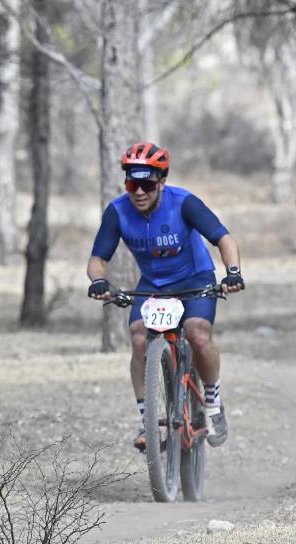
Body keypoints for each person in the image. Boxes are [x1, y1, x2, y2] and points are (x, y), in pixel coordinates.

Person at [86, 142, 243, 450]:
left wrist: (233, 272)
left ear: (162, 182)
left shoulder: (184, 203)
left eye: (147, 184)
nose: (139, 192)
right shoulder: (118, 211)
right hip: (153, 285)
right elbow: (97, 259)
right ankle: (147, 420)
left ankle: (212, 401)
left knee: (197, 333)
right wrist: (99, 281)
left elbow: (223, 238)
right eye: (133, 184)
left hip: (195, 278)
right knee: (139, 336)